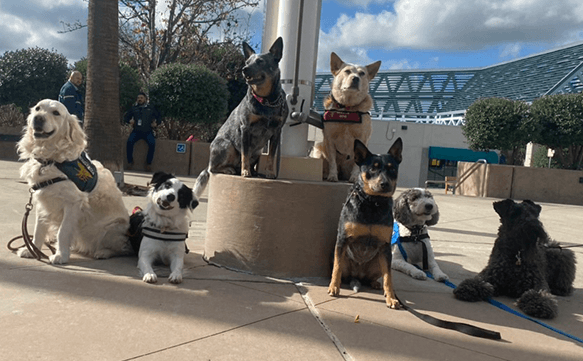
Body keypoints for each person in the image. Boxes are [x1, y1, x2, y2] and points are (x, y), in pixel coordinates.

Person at [124, 92, 162, 172]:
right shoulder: (134, 108)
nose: (139, 99)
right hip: (136, 131)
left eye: (141, 98)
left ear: (145, 99)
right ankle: (130, 162)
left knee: (152, 143)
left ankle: (148, 163)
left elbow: (159, 117)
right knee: (129, 142)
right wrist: (129, 121)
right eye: (138, 98)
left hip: (148, 131)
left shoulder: (151, 108)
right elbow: (126, 117)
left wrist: (156, 123)